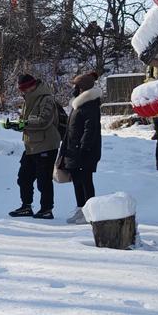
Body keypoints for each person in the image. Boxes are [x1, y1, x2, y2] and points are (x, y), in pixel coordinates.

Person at [4, 73, 61, 219]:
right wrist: (16, 125)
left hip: (46, 145)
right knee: (23, 178)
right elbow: (27, 122)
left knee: (44, 180)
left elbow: (43, 121)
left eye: (24, 89)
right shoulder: (28, 99)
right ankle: (26, 206)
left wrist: (25, 124)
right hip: (30, 146)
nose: (22, 92)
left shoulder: (46, 99)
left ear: (32, 86)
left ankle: (46, 209)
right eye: (21, 89)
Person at [61, 71, 103, 224]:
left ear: (82, 88)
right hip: (74, 149)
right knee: (78, 181)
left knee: (85, 181)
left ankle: (89, 212)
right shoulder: (79, 103)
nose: (74, 89)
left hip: (83, 151)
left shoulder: (89, 104)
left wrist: (83, 148)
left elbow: (90, 129)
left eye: (76, 86)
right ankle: (81, 209)